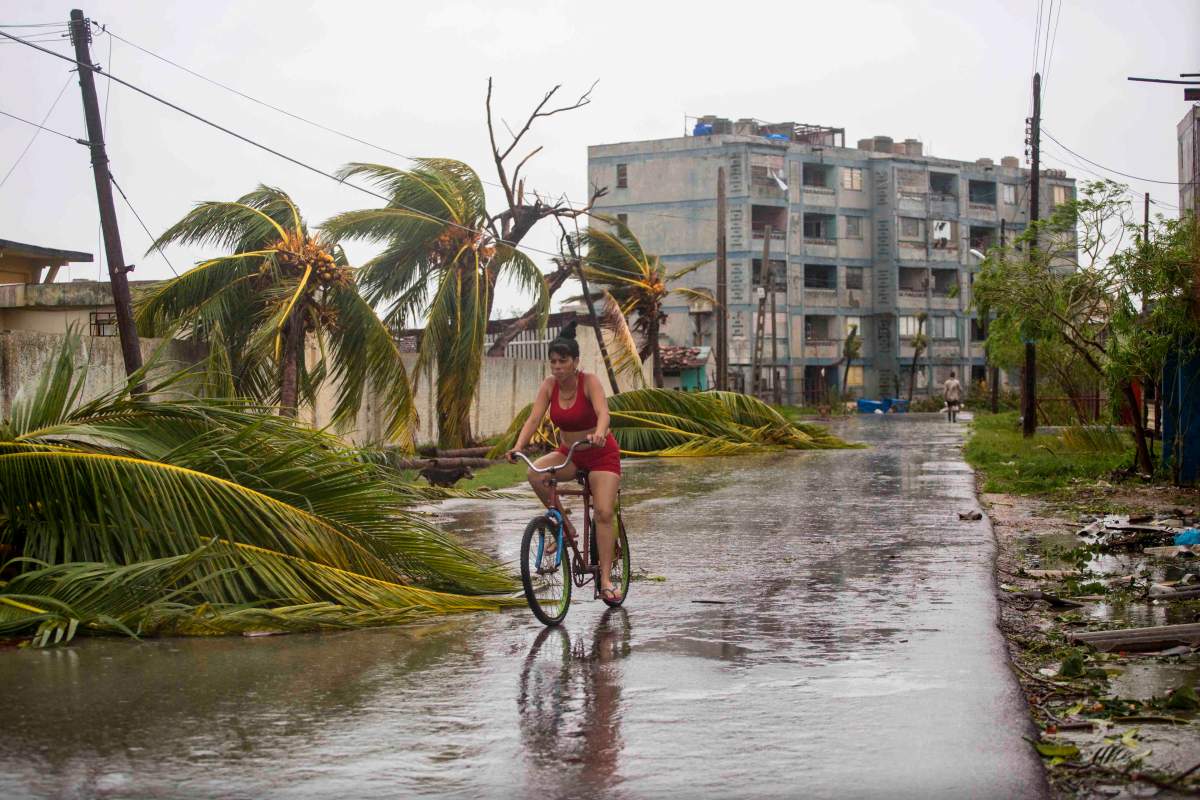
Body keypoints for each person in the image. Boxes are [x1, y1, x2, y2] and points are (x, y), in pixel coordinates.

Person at [506, 322, 623, 602]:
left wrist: (598, 432)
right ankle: (564, 527)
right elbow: (534, 418)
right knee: (535, 474)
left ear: (575, 362)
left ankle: (605, 580)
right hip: (570, 453)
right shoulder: (549, 386)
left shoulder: (589, 381)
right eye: (553, 362)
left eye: (563, 361)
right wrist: (518, 446)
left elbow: (603, 413)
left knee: (604, 513)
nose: (557, 367)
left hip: (600, 453)